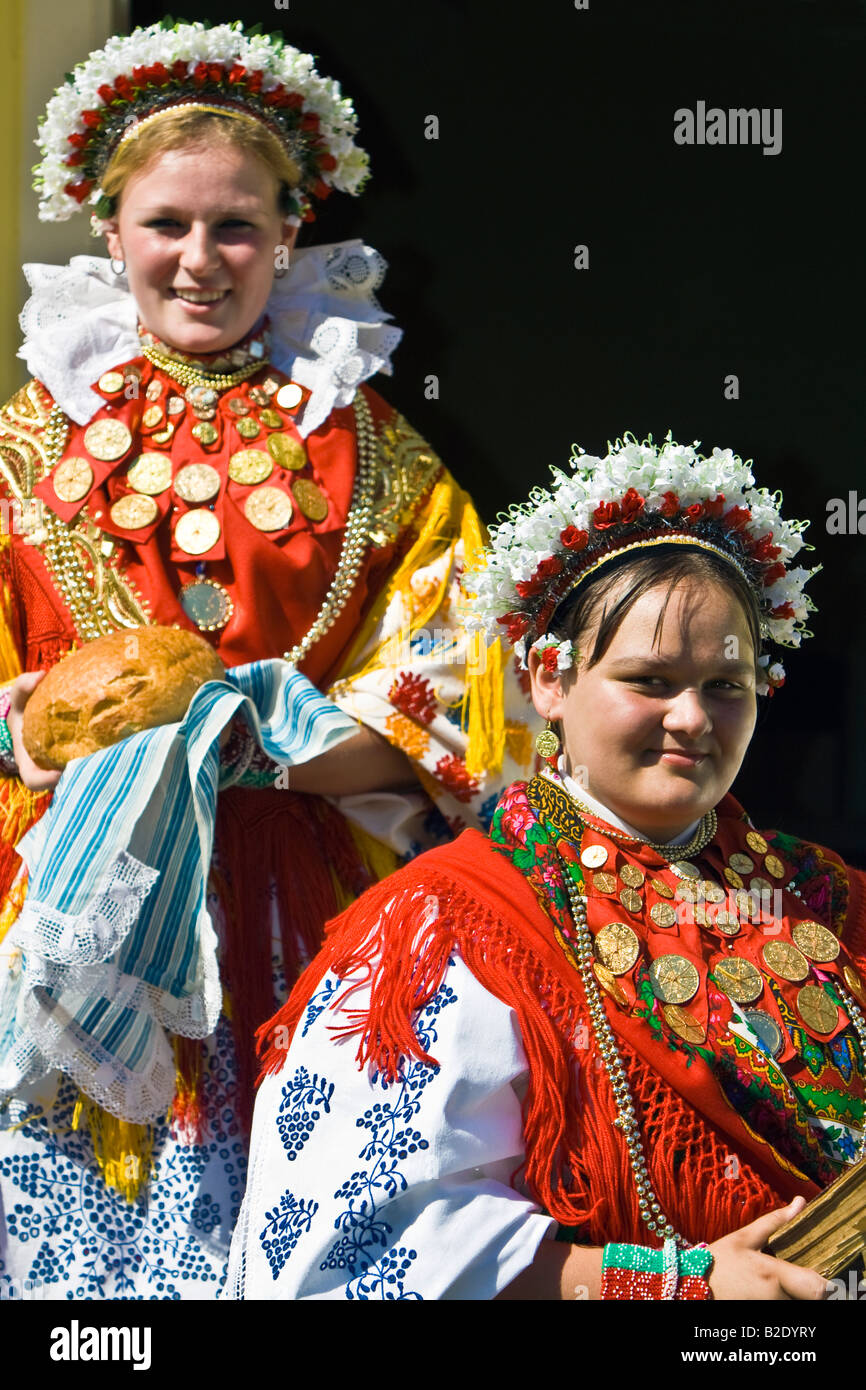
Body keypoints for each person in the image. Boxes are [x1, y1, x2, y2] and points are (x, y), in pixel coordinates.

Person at [0, 20, 533, 1300]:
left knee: (298, 1218)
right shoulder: (23, 441)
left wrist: (282, 744)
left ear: (290, 234)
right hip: (71, 881)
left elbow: (462, 677)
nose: (199, 259)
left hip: (304, 890)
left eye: (235, 226)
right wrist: (21, 727)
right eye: (166, 223)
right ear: (111, 228)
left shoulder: (378, 452)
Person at [225, 432, 866, 1301]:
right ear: (549, 681)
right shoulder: (447, 925)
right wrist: (678, 1284)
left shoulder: (823, 896)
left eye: (726, 686)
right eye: (648, 680)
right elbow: (368, 1244)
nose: (692, 720)